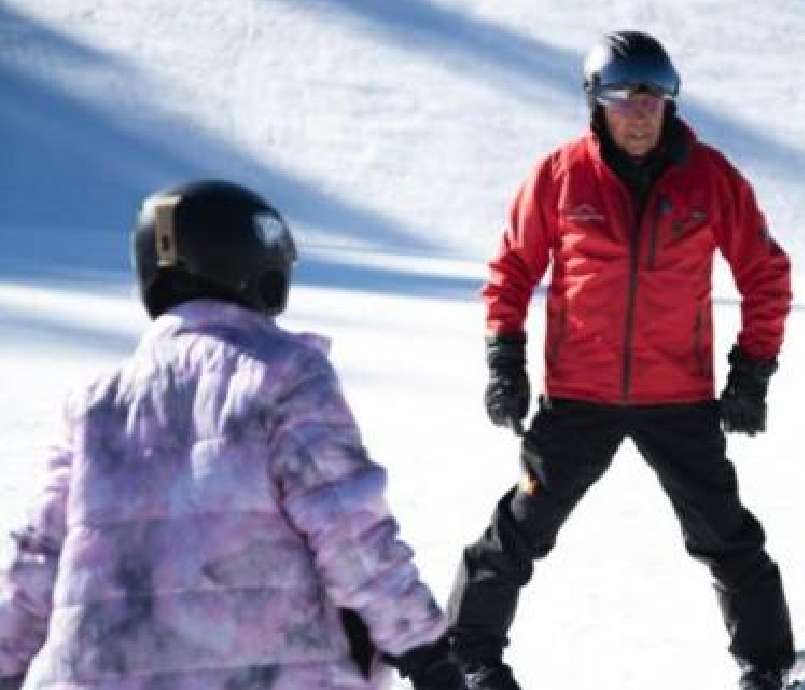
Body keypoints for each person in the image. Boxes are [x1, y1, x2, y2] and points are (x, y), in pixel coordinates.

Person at [0, 180, 463, 690]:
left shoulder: (93, 406)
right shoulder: (282, 374)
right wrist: (423, 648)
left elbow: (36, 563)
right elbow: (348, 530)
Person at [446, 30, 795, 690]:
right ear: (595, 103)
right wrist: (505, 359)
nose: (639, 113)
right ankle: (469, 659)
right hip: (579, 396)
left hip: (679, 397)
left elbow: (766, 273)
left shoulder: (711, 177)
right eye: (624, 99)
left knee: (727, 536)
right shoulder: (559, 176)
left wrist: (753, 371)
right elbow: (513, 270)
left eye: (653, 99)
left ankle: (767, 669)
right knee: (519, 530)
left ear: (670, 102)